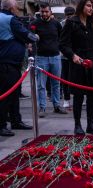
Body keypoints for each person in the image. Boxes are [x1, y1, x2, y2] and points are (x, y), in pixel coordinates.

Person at [60, 0, 93, 135]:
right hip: (78, 63)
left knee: (92, 95)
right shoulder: (71, 22)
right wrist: (73, 56)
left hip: (92, 63)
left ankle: (90, 124)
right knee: (78, 96)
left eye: (91, 6)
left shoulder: (92, 23)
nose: (90, 8)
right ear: (82, 6)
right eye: (88, 5)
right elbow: (63, 44)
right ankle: (77, 125)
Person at [0, 0, 38, 136]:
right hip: (7, 63)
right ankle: (2, 125)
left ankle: (16, 120)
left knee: (14, 94)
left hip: (9, 63)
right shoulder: (10, 19)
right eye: (16, 7)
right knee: (6, 94)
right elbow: (26, 34)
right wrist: (35, 37)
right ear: (11, 8)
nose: (17, 9)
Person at [30, 3, 67, 118]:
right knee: (41, 85)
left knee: (56, 83)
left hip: (56, 57)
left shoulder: (56, 24)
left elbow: (62, 38)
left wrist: (61, 50)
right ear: (40, 12)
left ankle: (56, 105)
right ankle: (42, 107)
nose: (44, 14)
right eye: (42, 12)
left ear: (51, 12)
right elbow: (29, 36)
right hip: (41, 57)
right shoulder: (34, 24)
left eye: (46, 11)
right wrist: (33, 38)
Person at [60, 6, 75, 109]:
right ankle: (66, 99)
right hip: (65, 56)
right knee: (65, 78)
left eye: (71, 15)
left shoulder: (77, 23)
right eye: (68, 15)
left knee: (78, 78)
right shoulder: (61, 24)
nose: (69, 17)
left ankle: (79, 96)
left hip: (76, 55)